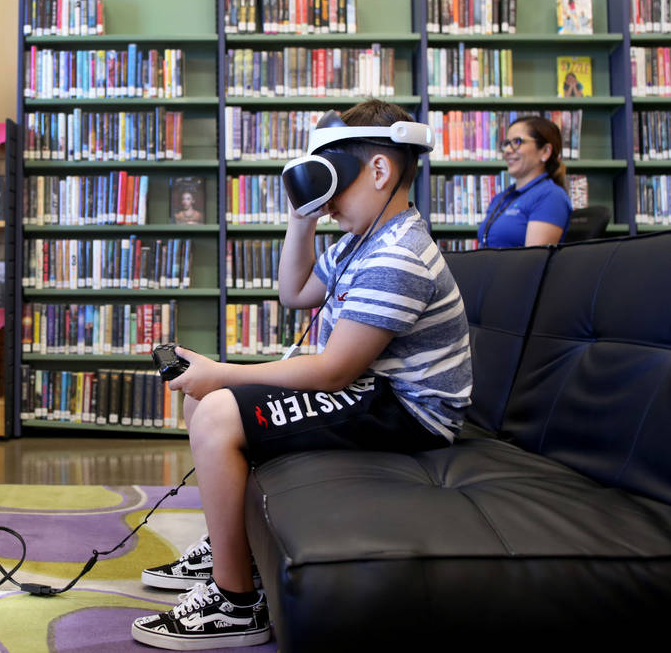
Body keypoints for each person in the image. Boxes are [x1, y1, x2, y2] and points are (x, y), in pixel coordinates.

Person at [132, 99, 473, 650]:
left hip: (409, 412)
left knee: (218, 406)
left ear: (381, 170)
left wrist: (222, 371)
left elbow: (335, 369)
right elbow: (294, 294)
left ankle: (236, 603)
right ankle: (230, 550)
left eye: (334, 177)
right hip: (372, 393)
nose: (329, 196)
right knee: (211, 398)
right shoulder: (362, 242)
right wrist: (302, 214)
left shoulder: (400, 256)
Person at [477, 116, 572, 247]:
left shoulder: (551, 196)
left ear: (545, 151)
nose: (507, 151)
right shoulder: (502, 197)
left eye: (518, 142)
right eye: (506, 143)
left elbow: (534, 261)